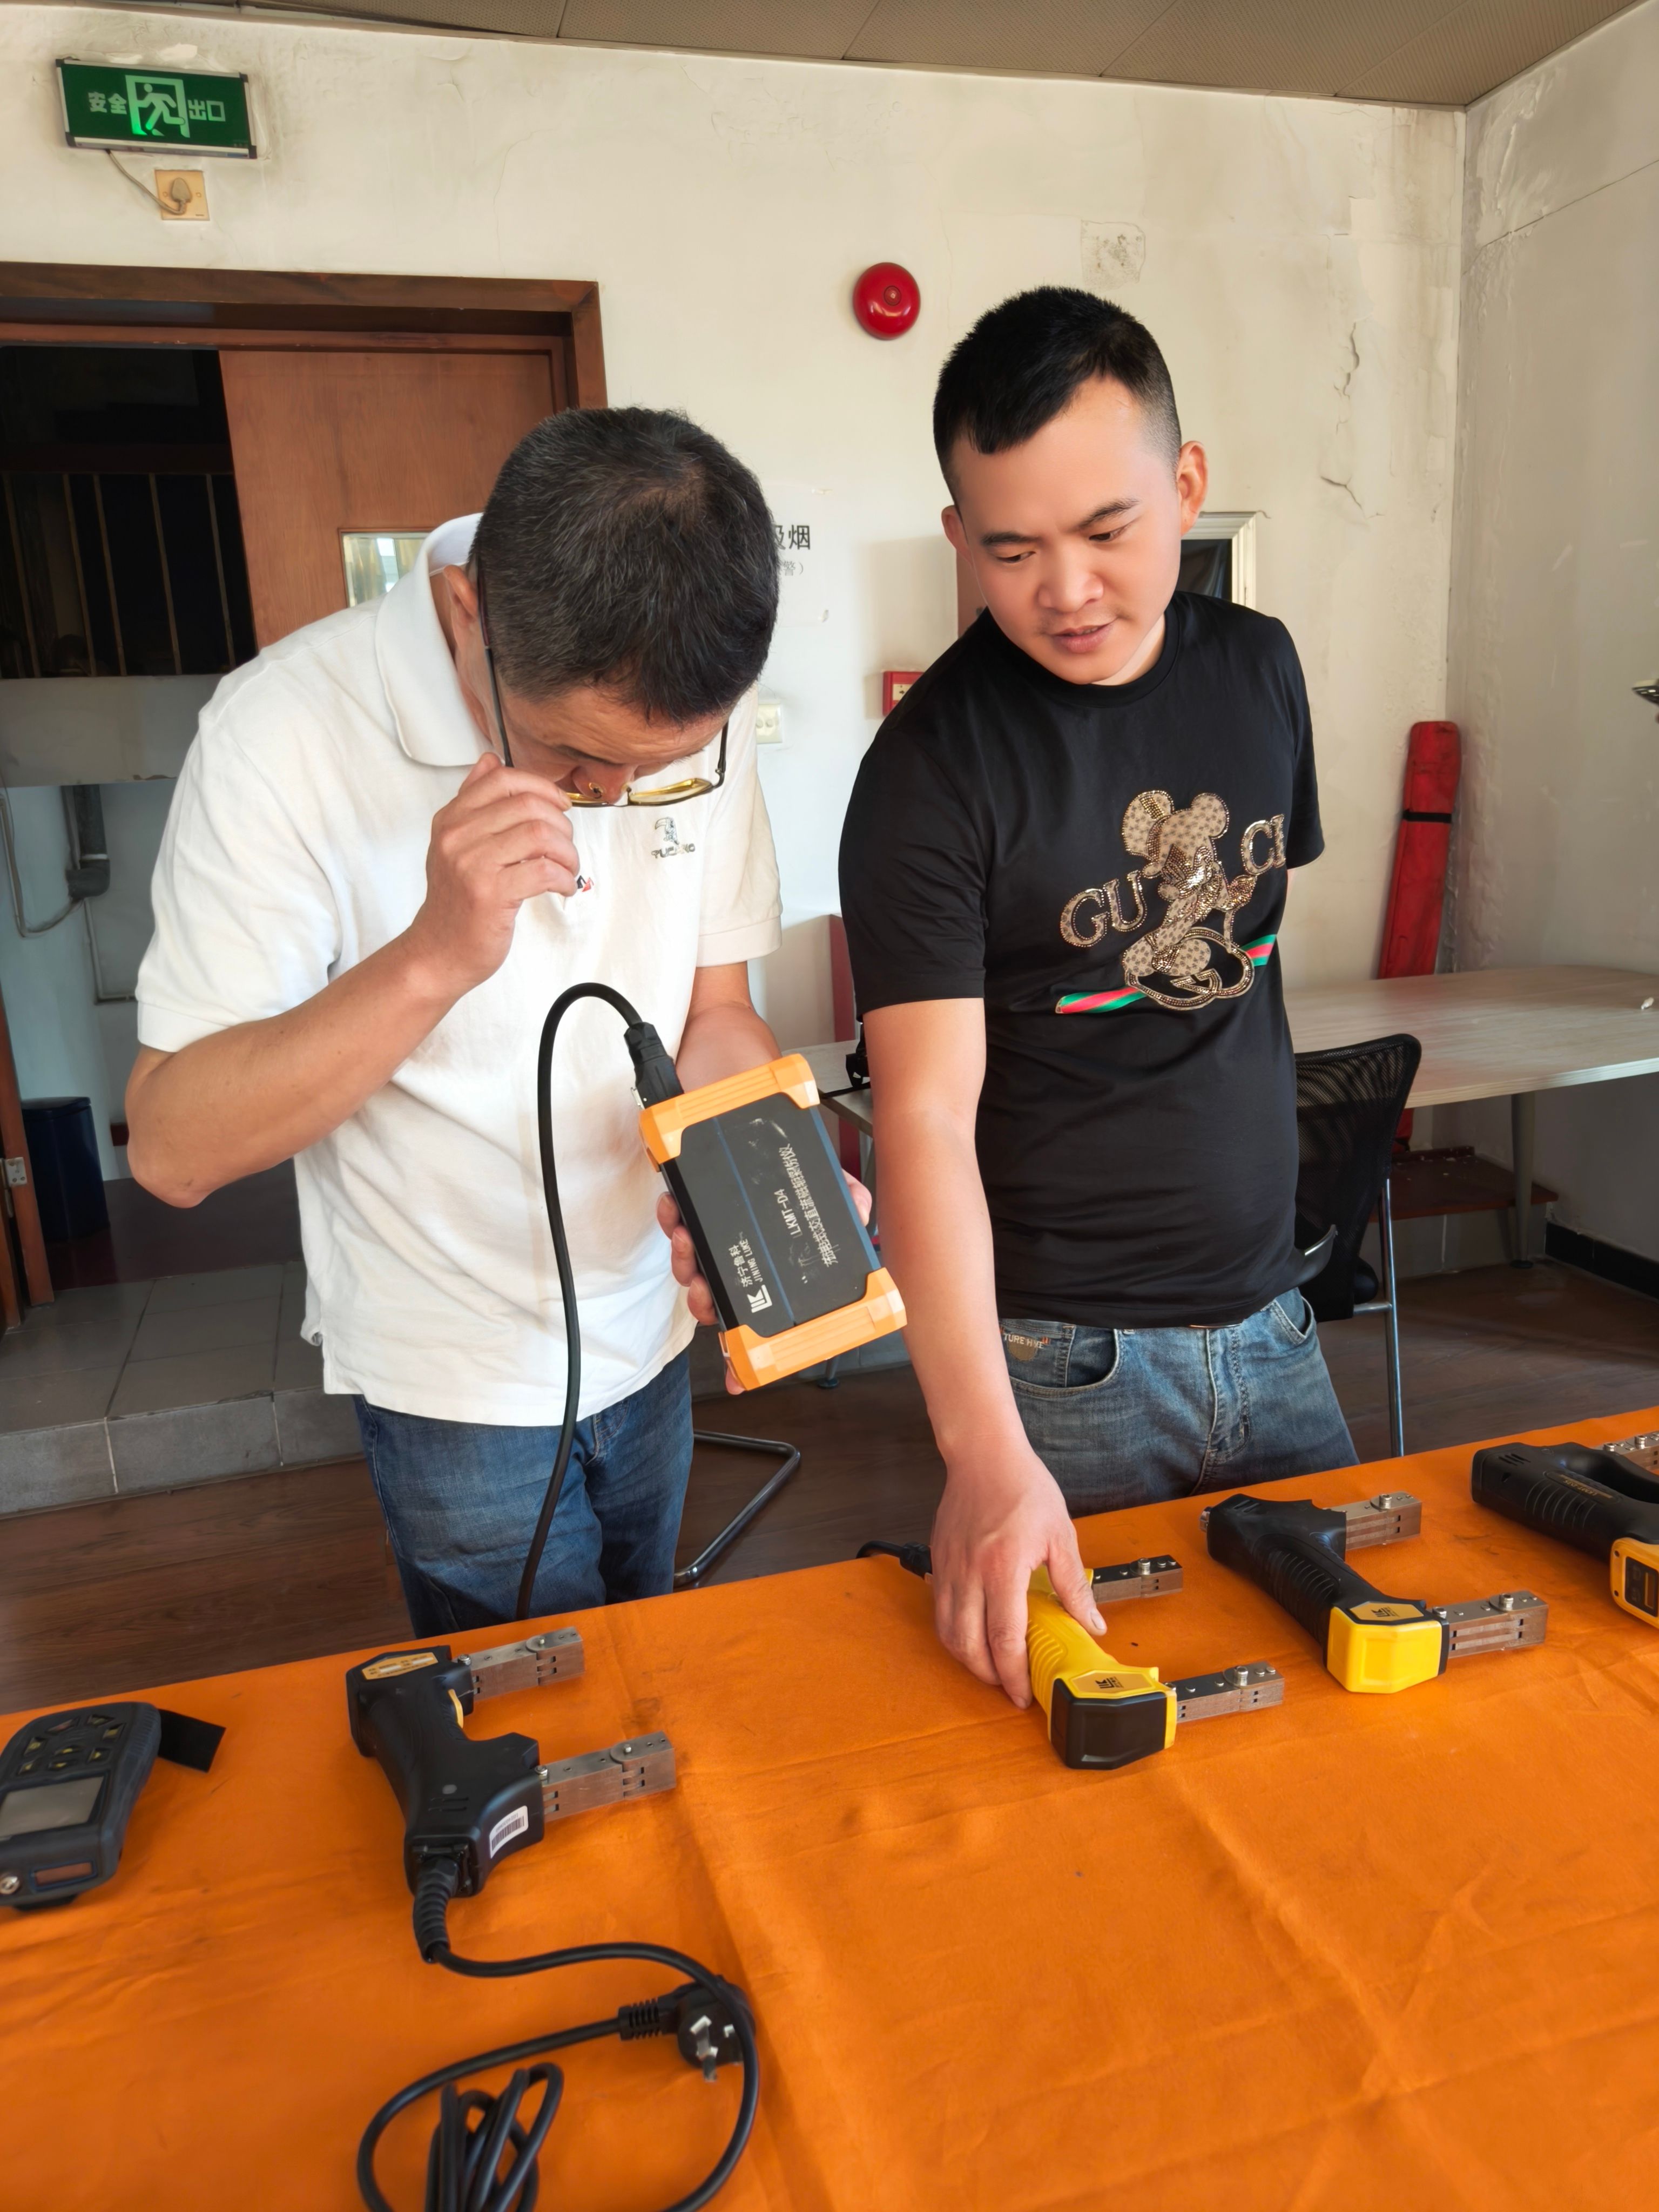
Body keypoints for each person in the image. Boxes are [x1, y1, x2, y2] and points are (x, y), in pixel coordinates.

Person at [127, 406, 797, 1635]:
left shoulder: (686, 716)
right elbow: (173, 1146)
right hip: (450, 1374)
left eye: (660, 772)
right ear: (463, 612)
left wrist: (764, 1173)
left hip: (651, 1327)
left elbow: (715, 1012)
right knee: (527, 1702)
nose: (614, 802)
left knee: (651, 1650)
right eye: (577, 761)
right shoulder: (279, 733)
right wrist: (434, 955)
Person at [838, 287, 1357, 1710]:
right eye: (1012, 550)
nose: (1064, 588)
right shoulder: (929, 773)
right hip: (1068, 1362)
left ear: (1185, 487)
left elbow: (1248, 959)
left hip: (1277, 1315)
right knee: (1097, 1746)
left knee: (1349, 1709)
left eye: (1106, 531)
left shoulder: (1260, 671)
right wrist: (981, 1449)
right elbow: (922, 1121)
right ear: (960, 537)